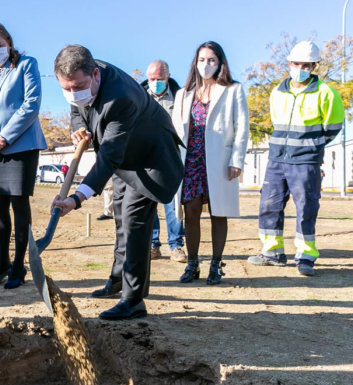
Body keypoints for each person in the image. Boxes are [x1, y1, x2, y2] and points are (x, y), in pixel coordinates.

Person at [51, 45, 183, 320]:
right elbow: (78, 108)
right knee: (121, 219)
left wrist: (76, 199)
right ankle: (117, 279)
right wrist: (78, 127)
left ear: (95, 74)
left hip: (150, 159)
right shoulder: (78, 76)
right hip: (125, 160)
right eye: (68, 89)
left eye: (80, 87)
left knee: (134, 222)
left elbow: (107, 157)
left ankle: (133, 300)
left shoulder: (119, 98)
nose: (74, 93)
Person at [247, 41, 345, 276]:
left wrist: (312, 145)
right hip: (277, 159)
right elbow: (276, 122)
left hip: (306, 162)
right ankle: (272, 252)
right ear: (289, 64)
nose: (301, 68)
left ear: (313, 66)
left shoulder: (326, 92)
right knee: (269, 205)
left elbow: (333, 127)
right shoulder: (277, 92)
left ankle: (305, 257)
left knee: (306, 207)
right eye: (296, 63)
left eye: (306, 65)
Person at [0, 23, 47, 289]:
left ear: (9, 42)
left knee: (19, 204)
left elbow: (31, 104)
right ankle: (3, 261)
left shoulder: (26, 64)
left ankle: (19, 265)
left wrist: (4, 136)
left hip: (21, 145)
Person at [171, 42, 250, 285]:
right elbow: (175, 130)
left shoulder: (233, 90)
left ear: (220, 63)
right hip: (190, 160)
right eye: (202, 59)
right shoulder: (183, 94)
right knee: (191, 211)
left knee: (219, 212)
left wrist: (237, 159)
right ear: (195, 62)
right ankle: (192, 263)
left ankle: (216, 264)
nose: (206, 64)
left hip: (220, 161)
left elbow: (241, 128)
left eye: (212, 60)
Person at [141, 60, 187, 262]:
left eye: (159, 79)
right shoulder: (139, 95)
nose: (155, 82)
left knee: (173, 204)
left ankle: (176, 246)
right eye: (152, 79)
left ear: (167, 77)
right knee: (148, 202)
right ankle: (152, 245)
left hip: (171, 157)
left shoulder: (180, 97)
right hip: (145, 157)